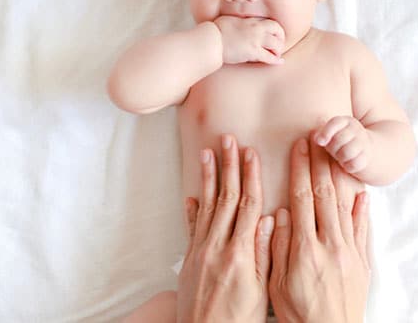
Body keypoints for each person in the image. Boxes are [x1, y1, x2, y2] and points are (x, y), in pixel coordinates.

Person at [109, 0, 416, 319]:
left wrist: (367, 148)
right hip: (210, 290)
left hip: (325, 286)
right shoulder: (200, 63)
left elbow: (399, 139)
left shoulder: (342, 57)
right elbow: (128, 88)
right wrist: (213, 44)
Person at [124, 134, 371, 322]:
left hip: (217, 287)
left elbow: (395, 137)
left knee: (165, 307)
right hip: (330, 285)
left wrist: (368, 147)